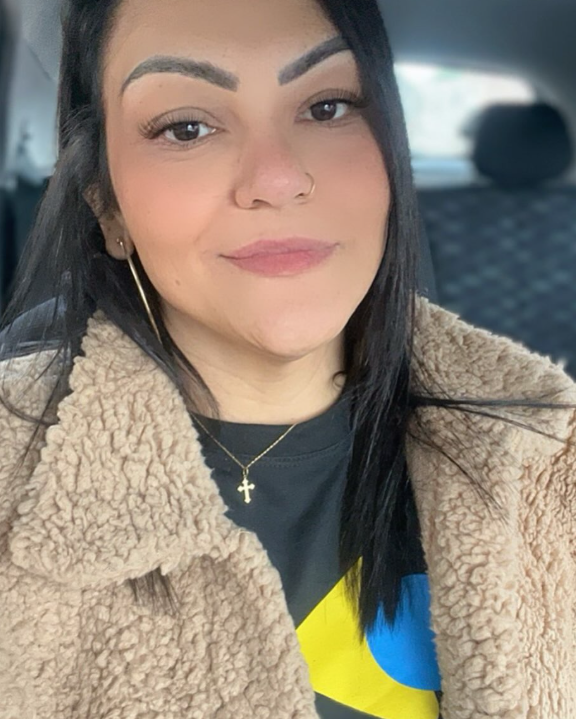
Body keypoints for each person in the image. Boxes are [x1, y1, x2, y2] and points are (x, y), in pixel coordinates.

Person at [1, 0, 575, 717]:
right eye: (186, 127)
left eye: (328, 107)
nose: (277, 177)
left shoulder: (547, 458)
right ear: (107, 207)